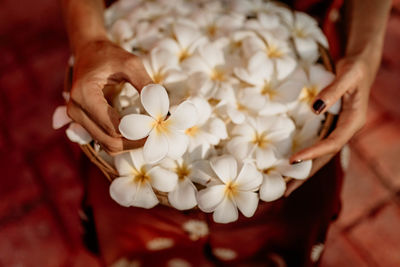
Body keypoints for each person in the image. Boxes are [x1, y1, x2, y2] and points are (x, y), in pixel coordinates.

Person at [61, 0, 391, 266]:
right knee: (140, 243)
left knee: (287, 234)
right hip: (141, 31)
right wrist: (90, 37)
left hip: (286, 26)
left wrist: (365, 51)